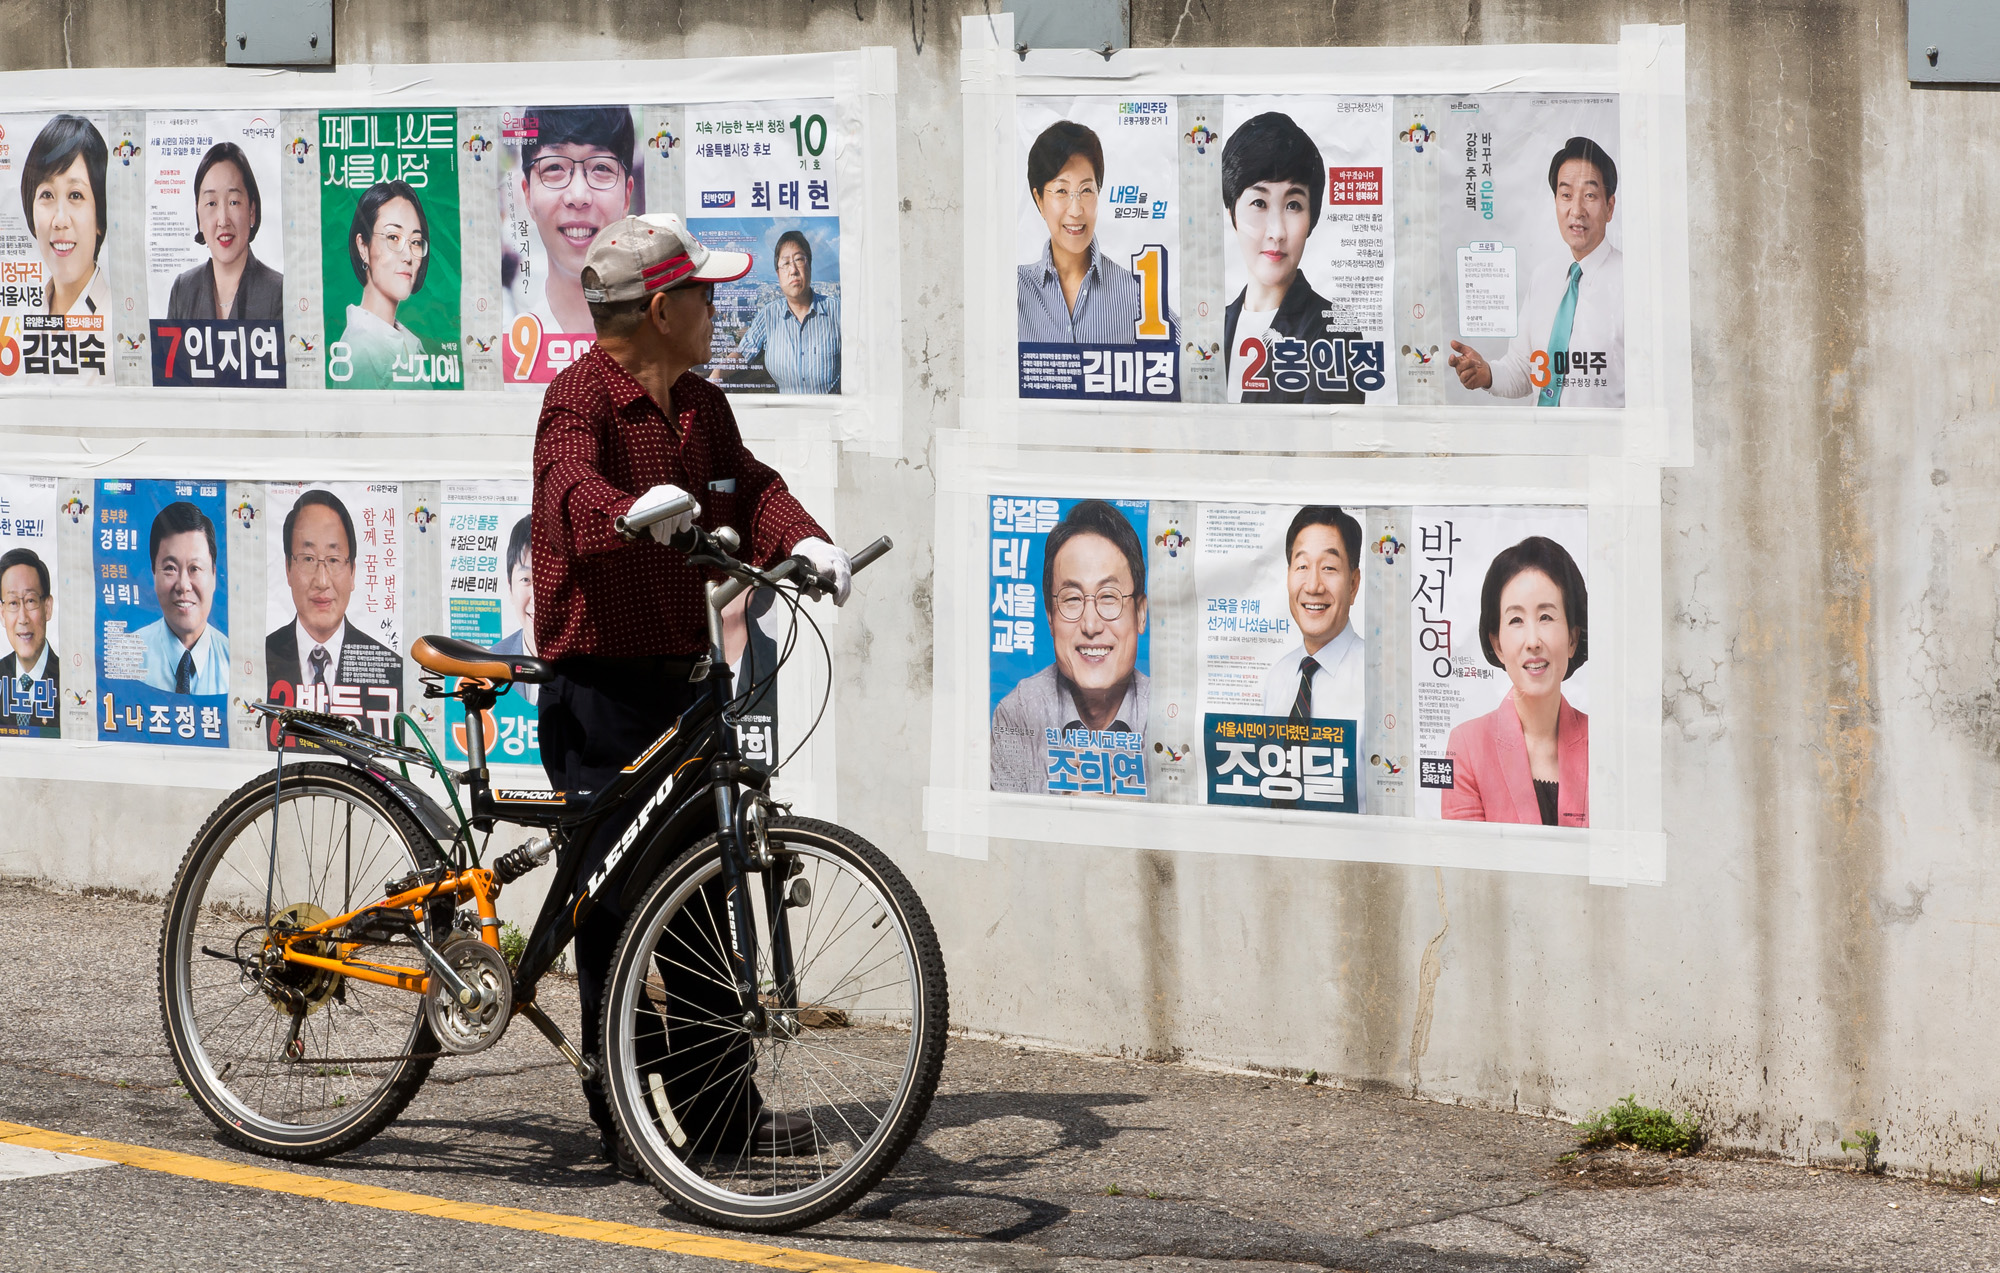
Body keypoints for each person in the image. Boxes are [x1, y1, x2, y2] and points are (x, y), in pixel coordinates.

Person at [532, 211, 852, 1168]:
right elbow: (566, 490)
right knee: (615, 908)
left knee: (705, 908)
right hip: (598, 690)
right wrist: (623, 511)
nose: (720, 305)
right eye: (706, 293)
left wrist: (798, 534)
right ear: (663, 307)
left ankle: (719, 1121)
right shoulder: (579, 399)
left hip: (681, 685)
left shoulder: (701, 405)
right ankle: (622, 1113)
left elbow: (745, 484)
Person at [1448, 136, 1624, 408]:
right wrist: (1488, 374)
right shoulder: (1544, 277)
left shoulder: (1632, 281)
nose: (1576, 210)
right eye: (1566, 195)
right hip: (1543, 445)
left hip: (1602, 448)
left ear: (1609, 206)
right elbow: (1524, 369)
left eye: (1589, 196)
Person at [990, 500, 1149, 794]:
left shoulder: (1170, 715)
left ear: (1140, 613)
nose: (1091, 625)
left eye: (1109, 597)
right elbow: (1007, 836)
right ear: (1050, 618)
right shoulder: (1019, 712)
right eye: (1072, 599)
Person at [1441, 536, 1588, 827]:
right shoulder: (1467, 747)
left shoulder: (1604, 744)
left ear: (1572, 638)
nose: (1533, 641)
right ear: (1497, 645)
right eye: (1516, 621)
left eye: (1546, 616)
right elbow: (1464, 868)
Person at [1220, 112, 1361, 405]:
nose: (1277, 232)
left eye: (1294, 205)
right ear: (1232, 213)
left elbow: (1322, 446)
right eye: (1259, 203)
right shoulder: (1212, 326)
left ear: (1312, 219)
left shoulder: (1335, 329)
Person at [1017, 120, 1175, 345]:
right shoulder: (1015, 290)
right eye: (1062, 190)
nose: (1076, 210)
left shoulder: (1134, 292)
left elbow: (1189, 358)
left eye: (1086, 190)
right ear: (1039, 200)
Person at [264, 489, 401, 737]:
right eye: (307, 559)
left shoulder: (391, 670)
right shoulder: (260, 658)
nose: (322, 581)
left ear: (352, 572)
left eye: (334, 560)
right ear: (287, 568)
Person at [1259, 506, 1366, 807]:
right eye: (1302, 566)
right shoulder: (1279, 677)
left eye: (1329, 567)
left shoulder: (1377, 678)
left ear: (1354, 584)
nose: (1313, 586)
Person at [512, 106, 637, 337]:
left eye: (601, 167)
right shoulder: (508, 338)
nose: (578, 196)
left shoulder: (656, 339)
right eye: (554, 167)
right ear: (528, 195)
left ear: (627, 196)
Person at [166, 141, 283, 321]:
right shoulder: (183, 290)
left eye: (233, 202)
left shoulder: (279, 292)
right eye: (211, 203)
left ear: (251, 210)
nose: (223, 220)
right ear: (199, 216)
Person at [335, 180, 432, 388]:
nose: (408, 256)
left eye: (415, 242)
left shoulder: (408, 342)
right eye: (393, 237)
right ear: (363, 247)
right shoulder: (360, 349)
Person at [717, 229, 840, 393]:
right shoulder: (769, 314)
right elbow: (743, 354)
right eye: (786, 264)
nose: (793, 270)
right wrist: (716, 374)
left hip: (831, 415)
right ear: (778, 274)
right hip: (784, 415)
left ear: (809, 265)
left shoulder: (836, 310)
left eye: (799, 260)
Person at [134, 501, 230, 696]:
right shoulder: (129, 655)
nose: (183, 585)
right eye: (170, 568)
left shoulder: (235, 664)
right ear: (154, 572)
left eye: (195, 569)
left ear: (213, 574)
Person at [21, 114, 110, 322]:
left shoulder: (120, 324)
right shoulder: (18, 322)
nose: (60, 221)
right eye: (47, 195)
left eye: (76, 195)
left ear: (100, 215)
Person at [0, 547, 59, 732]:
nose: (23, 618)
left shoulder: (70, 683)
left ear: (47, 607)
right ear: (2, 614)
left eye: (31, 601)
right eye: (13, 603)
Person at [492, 514, 538, 705]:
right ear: (510, 588)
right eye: (526, 580)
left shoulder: (588, 667)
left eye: (548, 580)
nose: (537, 599)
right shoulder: (490, 665)